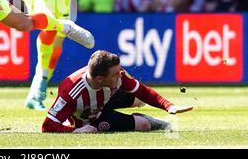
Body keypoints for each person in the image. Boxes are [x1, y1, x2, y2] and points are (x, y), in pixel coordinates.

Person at [42, 50, 193, 133]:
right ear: (100, 78)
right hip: (92, 117)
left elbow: (142, 91)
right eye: (115, 74)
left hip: (106, 97)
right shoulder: (71, 93)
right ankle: (147, 120)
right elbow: (47, 126)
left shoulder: (117, 75)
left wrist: (168, 106)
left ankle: (140, 112)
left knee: (139, 98)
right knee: (143, 125)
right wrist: (76, 131)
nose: (120, 75)